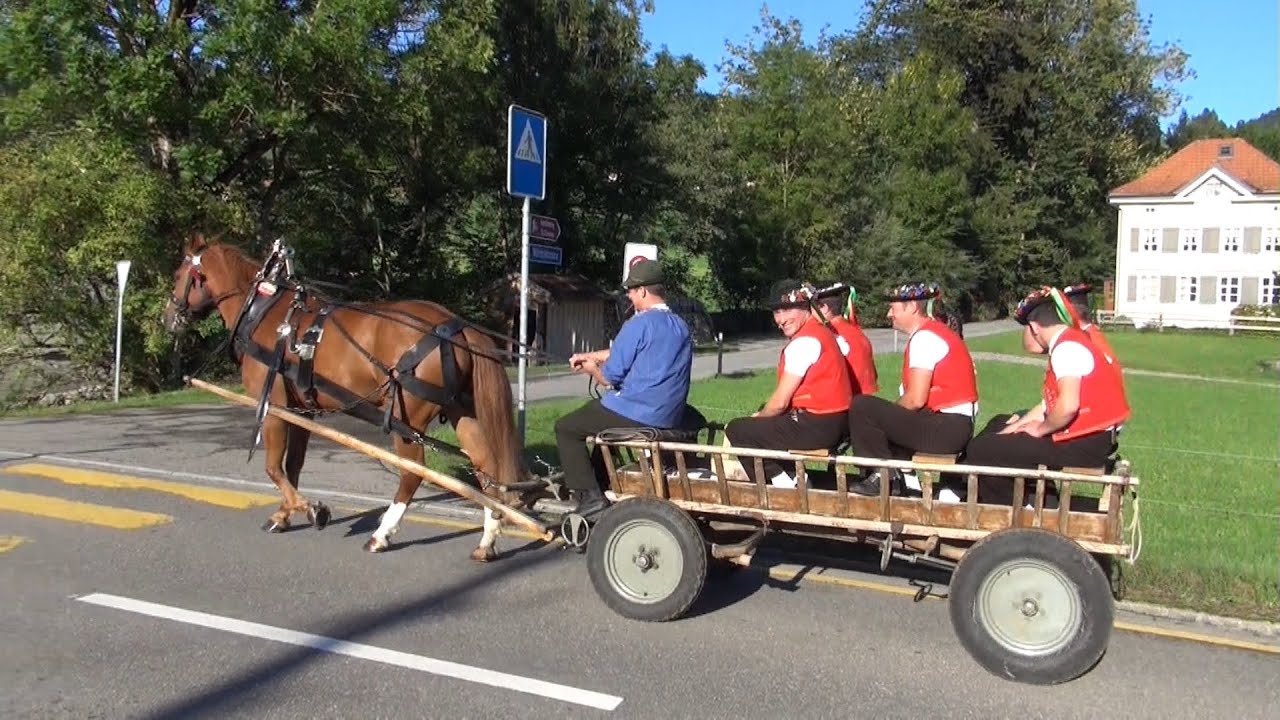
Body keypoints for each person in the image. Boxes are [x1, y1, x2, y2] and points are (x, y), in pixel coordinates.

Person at [964, 287, 1130, 507]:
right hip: (1090, 439)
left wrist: (1039, 429)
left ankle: (1011, 514)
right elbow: (1047, 405)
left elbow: (1068, 406)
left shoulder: (1066, 348)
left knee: (981, 450)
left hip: (1085, 444)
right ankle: (1040, 504)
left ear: (1033, 327)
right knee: (997, 434)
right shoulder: (1071, 342)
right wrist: (1011, 430)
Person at [553, 259, 693, 516]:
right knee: (595, 418)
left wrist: (590, 368)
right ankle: (600, 477)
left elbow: (609, 379)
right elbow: (629, 352)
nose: (629, 296)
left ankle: (589, 496)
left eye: (631, 290)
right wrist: (592, 355)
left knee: (567, 427)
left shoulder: (637, 324)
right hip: (668, 412)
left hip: (638, 412)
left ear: (642, 291)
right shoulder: (680, 325)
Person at [845, 282, 978, 496]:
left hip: (945, 429)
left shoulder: (925, 337)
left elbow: (915, 399)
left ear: (912, 307)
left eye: (893, 308)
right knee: (883, 417)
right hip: (951, 425)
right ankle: (906, 483)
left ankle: (883, 476)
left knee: (862, 406)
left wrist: (885, 418)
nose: (890, 314)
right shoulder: (934, 332)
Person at [722, 280, 852, 487]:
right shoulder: (822, 332)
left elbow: (780, 403)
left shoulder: (804, 342)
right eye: (776, 313)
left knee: (738, 430)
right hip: (836, 422)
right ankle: (794, 478)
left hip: (818, 426)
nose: (780, 320)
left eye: (786, 310)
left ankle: (783, 485)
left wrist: (758, 417)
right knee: (766, 427)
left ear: (804, 308)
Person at [812, 282, 879, 397]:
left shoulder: (830, 337)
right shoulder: (857, 333)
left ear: (824, 308)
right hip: (865, 403)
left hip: (845, 405)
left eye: (811, 308)